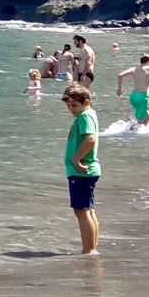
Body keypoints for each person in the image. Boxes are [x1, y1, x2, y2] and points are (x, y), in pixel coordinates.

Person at [61, 84, 102, 256]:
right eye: (68, 106)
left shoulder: (84, 116)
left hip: (82, 171)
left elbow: (90, 139)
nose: (71, 109)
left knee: (82, 211)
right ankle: (92, 248)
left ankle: (89, 250)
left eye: (74, 105)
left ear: (86, 102)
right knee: (88, 210)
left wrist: (76, 159)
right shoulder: (87, 114)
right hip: (86, 171)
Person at [116, 54, 149, 128]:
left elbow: (120, 75)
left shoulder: (134, 69)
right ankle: (130, 132)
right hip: (143, 97)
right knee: (139, 122)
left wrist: (119, 89)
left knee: (147, 118)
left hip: (134, 97)